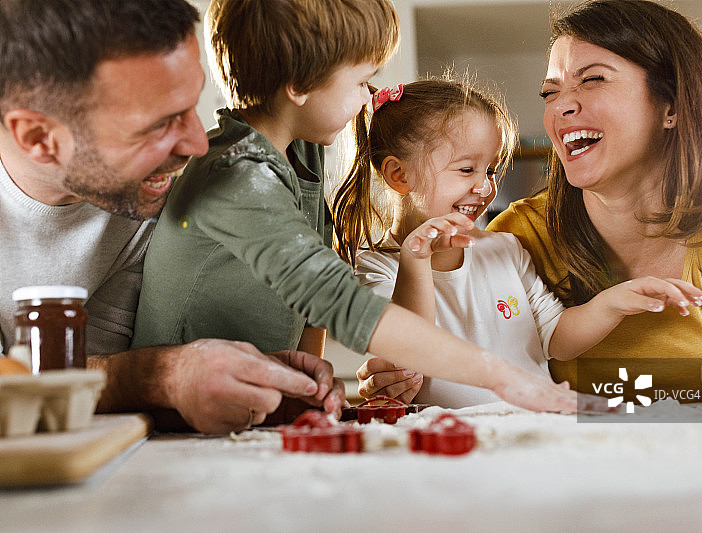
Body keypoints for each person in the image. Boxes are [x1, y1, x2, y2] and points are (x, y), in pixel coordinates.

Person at [130, 0, 612, 416]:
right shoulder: (238, 174)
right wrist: (504, 377)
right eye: (362, 80)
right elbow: (335, 299)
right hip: (176, 410)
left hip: (248, 404)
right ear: (300, 84)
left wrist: (312, 389)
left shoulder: (300, 155)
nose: (367, 98)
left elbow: (309, 311)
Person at [0, 0, 347, 435]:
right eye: (160, 124)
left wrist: (247, 376)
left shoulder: (150, 199)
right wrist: (163, 374)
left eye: (192, 107)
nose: (198, 144)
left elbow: (86, 387)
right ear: (39, 137)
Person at [483, 0, 702, 398]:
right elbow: (463, 359)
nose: (561, 105)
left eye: (593, 79)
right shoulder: (518, 236)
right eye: (550, 92)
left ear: (671, 105)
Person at [336, 78, 702, 407]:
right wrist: (416, 257)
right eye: (466, 169)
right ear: (399, 175)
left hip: (534, 428)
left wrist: (616, 301)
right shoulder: (376, 267)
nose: (485, 187)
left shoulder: (504, 250)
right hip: (454, 442)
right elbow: (411, 350)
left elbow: (556, 338)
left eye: (491, 170)